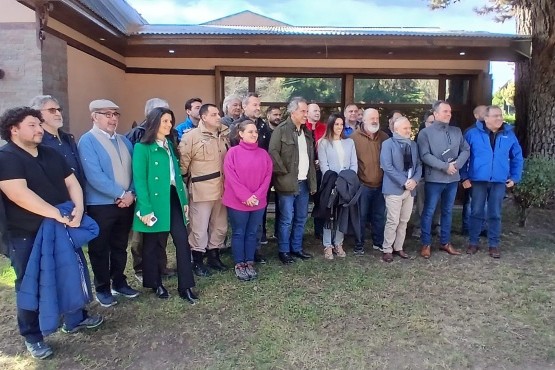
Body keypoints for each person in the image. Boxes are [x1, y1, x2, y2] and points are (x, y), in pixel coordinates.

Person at [0, 107, 103, 359]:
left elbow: (71, 182)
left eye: (39, 124)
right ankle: (33, 336)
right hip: (25, 233)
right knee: (29, 283)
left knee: (70, 270)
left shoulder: (51, 153)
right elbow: (18, 194)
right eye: (32, 125)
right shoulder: (7, 157)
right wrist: (56, 214)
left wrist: (78, 209)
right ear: (14, 129)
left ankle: (74, 318)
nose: (39, 129)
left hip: (62, 227)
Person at [132, 107, 198, 302]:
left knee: (182, 241)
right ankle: (155, 283)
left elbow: (176, 175)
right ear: (154, 123)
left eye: (170, 121)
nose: (169, 125)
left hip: (173, 197)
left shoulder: (169, 144)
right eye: (165, 121)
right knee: (152, 244)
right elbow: (140, 180)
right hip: (153, 201)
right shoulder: (142, 148)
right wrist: (145, 207)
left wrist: (184, 200)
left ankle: (185, 286)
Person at [78, 99, 139, 307]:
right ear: (94, 116)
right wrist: (120, 193)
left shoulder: (124, 140)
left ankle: (119, 282)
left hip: (126, 202)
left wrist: (130, 193)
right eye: (107, 114)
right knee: (100, 248)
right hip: (101, 205)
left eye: (115, 114)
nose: (113, 119)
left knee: (120, 245)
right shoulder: (87, 141)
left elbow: (135, 170)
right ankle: (102, 288)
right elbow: (94, 175)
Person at [461, 105, 523, 258]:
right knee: (476, 212)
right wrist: (464, 177)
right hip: (478, 180)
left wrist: (515, 177)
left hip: (499, 181)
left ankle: (493, 245)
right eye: (495, 116)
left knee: (495, 213)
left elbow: (517, 156)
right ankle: (473, 242)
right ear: (486, 118)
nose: (499, 118)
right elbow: (462, 156)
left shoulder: (509, 134)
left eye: (500, 115)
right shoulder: (472, 134)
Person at [124, 98, 174, 283]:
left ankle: (161, 266)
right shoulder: (136, 135)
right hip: (143, 194)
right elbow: (135, 169)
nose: (167, 120)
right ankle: (141, 269)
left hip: (164, 194)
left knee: (161, 233)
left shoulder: (170, 135)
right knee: (141, 237)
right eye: (162, 114)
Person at [179, 103, 230, 276]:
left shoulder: (224, 134)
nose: (218, 117)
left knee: (220, 225)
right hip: (202, 190)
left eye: (219, 114)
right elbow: (183, 166)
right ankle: (198, 260)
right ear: (203, 117)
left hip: (222, 189)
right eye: (214, 114)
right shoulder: (191, 137)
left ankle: (214, 256)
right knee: (199, 228)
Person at [417, 100, 470, 259]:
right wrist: (444, 166)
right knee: (429, 211)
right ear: (436, 113)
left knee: (448, 211)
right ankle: (426, 243)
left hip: (453, 179)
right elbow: (425, 155)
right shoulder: (425, 133)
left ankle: (445, 242)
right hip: (435, 179)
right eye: (445, 111)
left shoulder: (456, 131)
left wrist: (457, 165)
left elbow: (466, 149)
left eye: (450, 111)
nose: (449, 114)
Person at [269, 97, 317, 264]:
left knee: (301, 217)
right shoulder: (281, 130)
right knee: (286, 219)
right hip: (287, 184)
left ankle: (296, 248)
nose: (306, 114)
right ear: (293, 111)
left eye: (306, 111)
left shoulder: (307, 132)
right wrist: (284, 174)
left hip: (303, 182)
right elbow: (273, 154)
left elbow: (310, 158)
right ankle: (284, 251)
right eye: (303, 111)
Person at [223, 119, 273, 280]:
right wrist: (245, 196)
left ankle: (249, 262)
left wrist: (256, 196)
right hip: (237, 202)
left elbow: (267, 177)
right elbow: (231, 177)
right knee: (239, 232)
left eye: (255, 131)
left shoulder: (263, 154)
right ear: (241, 134)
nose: (254, 134)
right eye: (250, 131)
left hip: (258, 202)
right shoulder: (233, 153)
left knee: (252, 233)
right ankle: (239, 263)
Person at [380, 116, 422, 262]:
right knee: (392, 220)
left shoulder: (413, 145)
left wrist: (415, 181)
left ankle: (399, 247)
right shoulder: (388, 144)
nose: (408, 130)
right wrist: (404, 182)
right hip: (394, 188)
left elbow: (418, 165)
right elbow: (387, 167)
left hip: (410, 190)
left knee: (404, 220)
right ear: (396, 129)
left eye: (409, 128)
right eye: (405, 128)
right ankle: (387, 249)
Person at [316, 113, 357, 259]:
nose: (339, 127)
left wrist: (347, 180)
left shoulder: (349, 143)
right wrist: (333, 181)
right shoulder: (323, 143)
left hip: (345, 184)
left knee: (341, 214)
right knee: (329, 214)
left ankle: (338, 243)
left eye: (341, 124)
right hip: (330, 184)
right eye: (336, 124)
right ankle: (328, 244)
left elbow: (354, 164)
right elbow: (324, 165)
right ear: (331, 125)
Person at [351, 108, 389, 255]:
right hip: (363, 185)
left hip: (381, 184)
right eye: (371, 118)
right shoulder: (354, 138)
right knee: (360, 216)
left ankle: (377, 242)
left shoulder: (384, 137)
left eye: (377, 118)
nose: (374, 121)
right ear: (363, 120)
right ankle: (359, 244)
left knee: (379, 215)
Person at [28, 95, 85, 188]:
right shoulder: (37, 142)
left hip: (79, 197)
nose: (58, 113)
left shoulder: (68, 138)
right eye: (52, 110)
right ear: (38, 113)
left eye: (59, 110)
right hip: (56, 199)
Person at [411, 111, 440, 238]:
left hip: (438, 175)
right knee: (422, 204)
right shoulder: (420, 137)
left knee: (438, 203)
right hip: (423, 176)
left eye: (436, 122)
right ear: (425, 123)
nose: (434, 125)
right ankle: (419, 227)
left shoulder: (443, 136)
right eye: (431, 122)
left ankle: (435, 226)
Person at [461, 105, 488, 236]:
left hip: (487, 175)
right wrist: (464, 176)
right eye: (485, 112)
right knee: (470, 202)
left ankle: (482, 228)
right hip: (472, 174)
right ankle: (467, 227)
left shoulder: (493, 131)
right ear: (476, 116)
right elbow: (464, 154)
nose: (487, 113)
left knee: (485, 202)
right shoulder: (470, 132)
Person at [306, 103, 327, 240]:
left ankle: (319, 230)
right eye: (314, 110)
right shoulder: (302, 127)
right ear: (307, 112)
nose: (317, 113)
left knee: (321, 200)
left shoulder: (324, 128)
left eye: (319, 110)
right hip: (305, 171)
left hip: (321, 170)